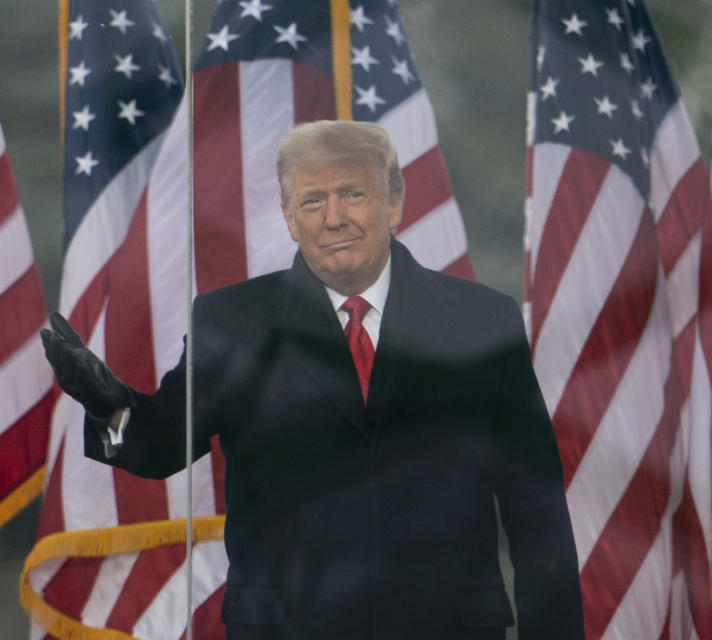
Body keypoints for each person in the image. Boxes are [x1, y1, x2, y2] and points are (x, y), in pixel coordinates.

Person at [41, 120, 585, 639]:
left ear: (394, 202)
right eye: (312, 200)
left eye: (353, 194)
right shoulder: (232, 322)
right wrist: (108, 406)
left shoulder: (481, 320)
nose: (333, 218)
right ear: (288, 217)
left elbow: (534, 507)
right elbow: (163, 444)